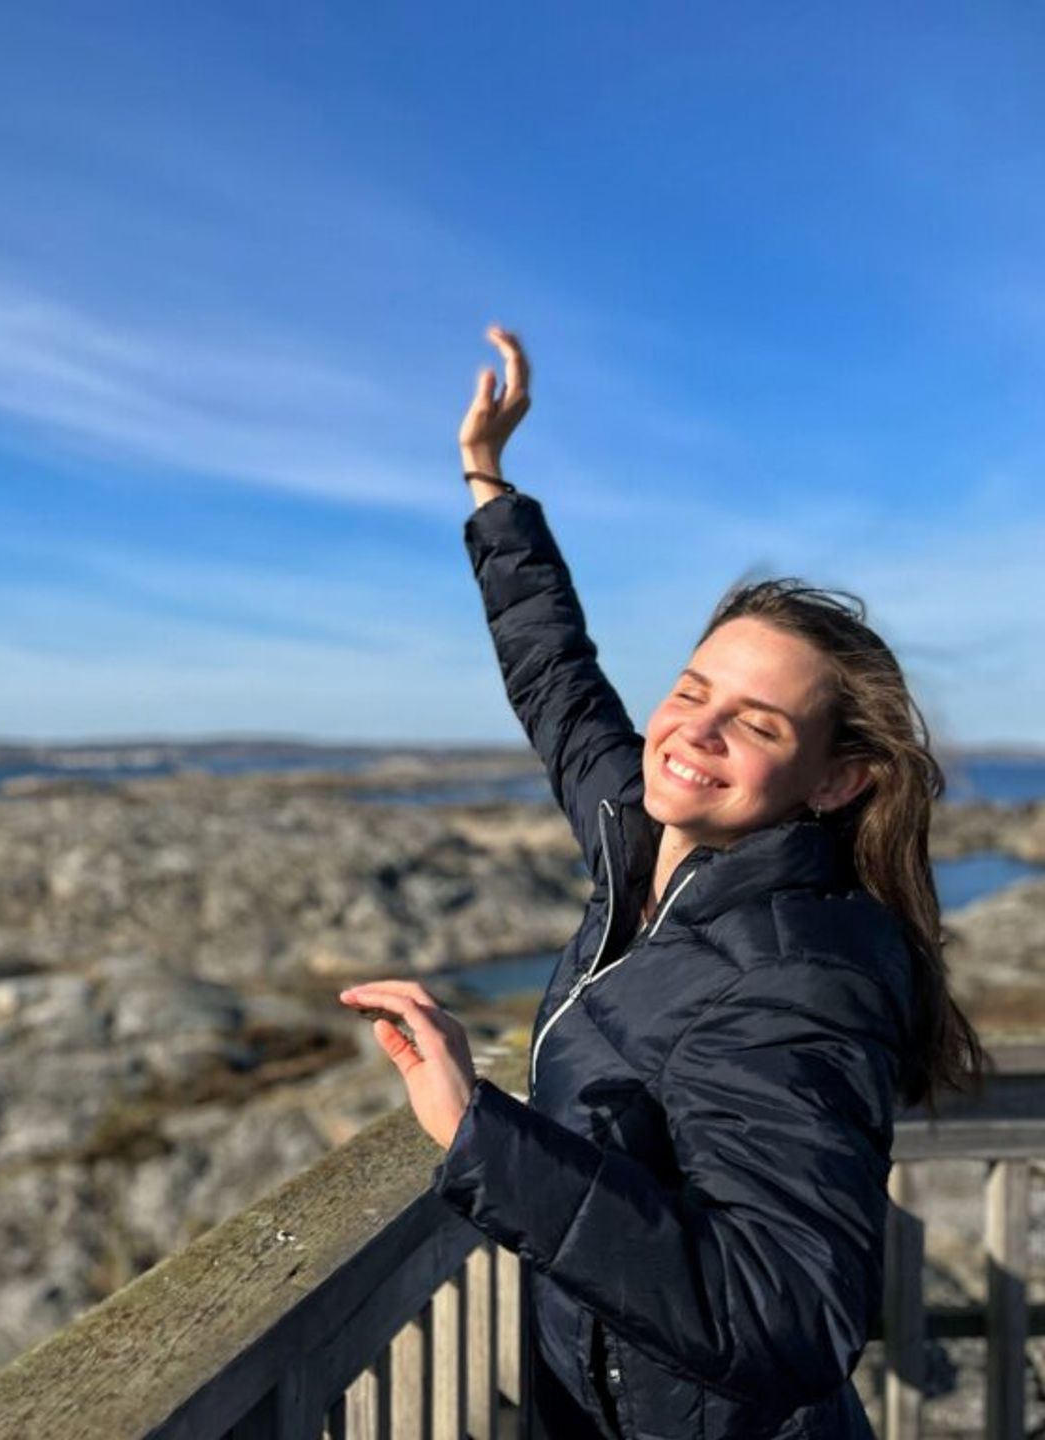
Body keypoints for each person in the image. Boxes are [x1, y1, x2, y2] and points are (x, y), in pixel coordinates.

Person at [338, 327, 986, 1439]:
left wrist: (475, 1132)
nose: (696, 730)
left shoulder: (802, 975)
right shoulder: (643, 838)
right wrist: (491, 484)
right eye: (693, 689)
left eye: (760, 722)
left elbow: (783, 1317)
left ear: (835, 783)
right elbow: (559, 681)